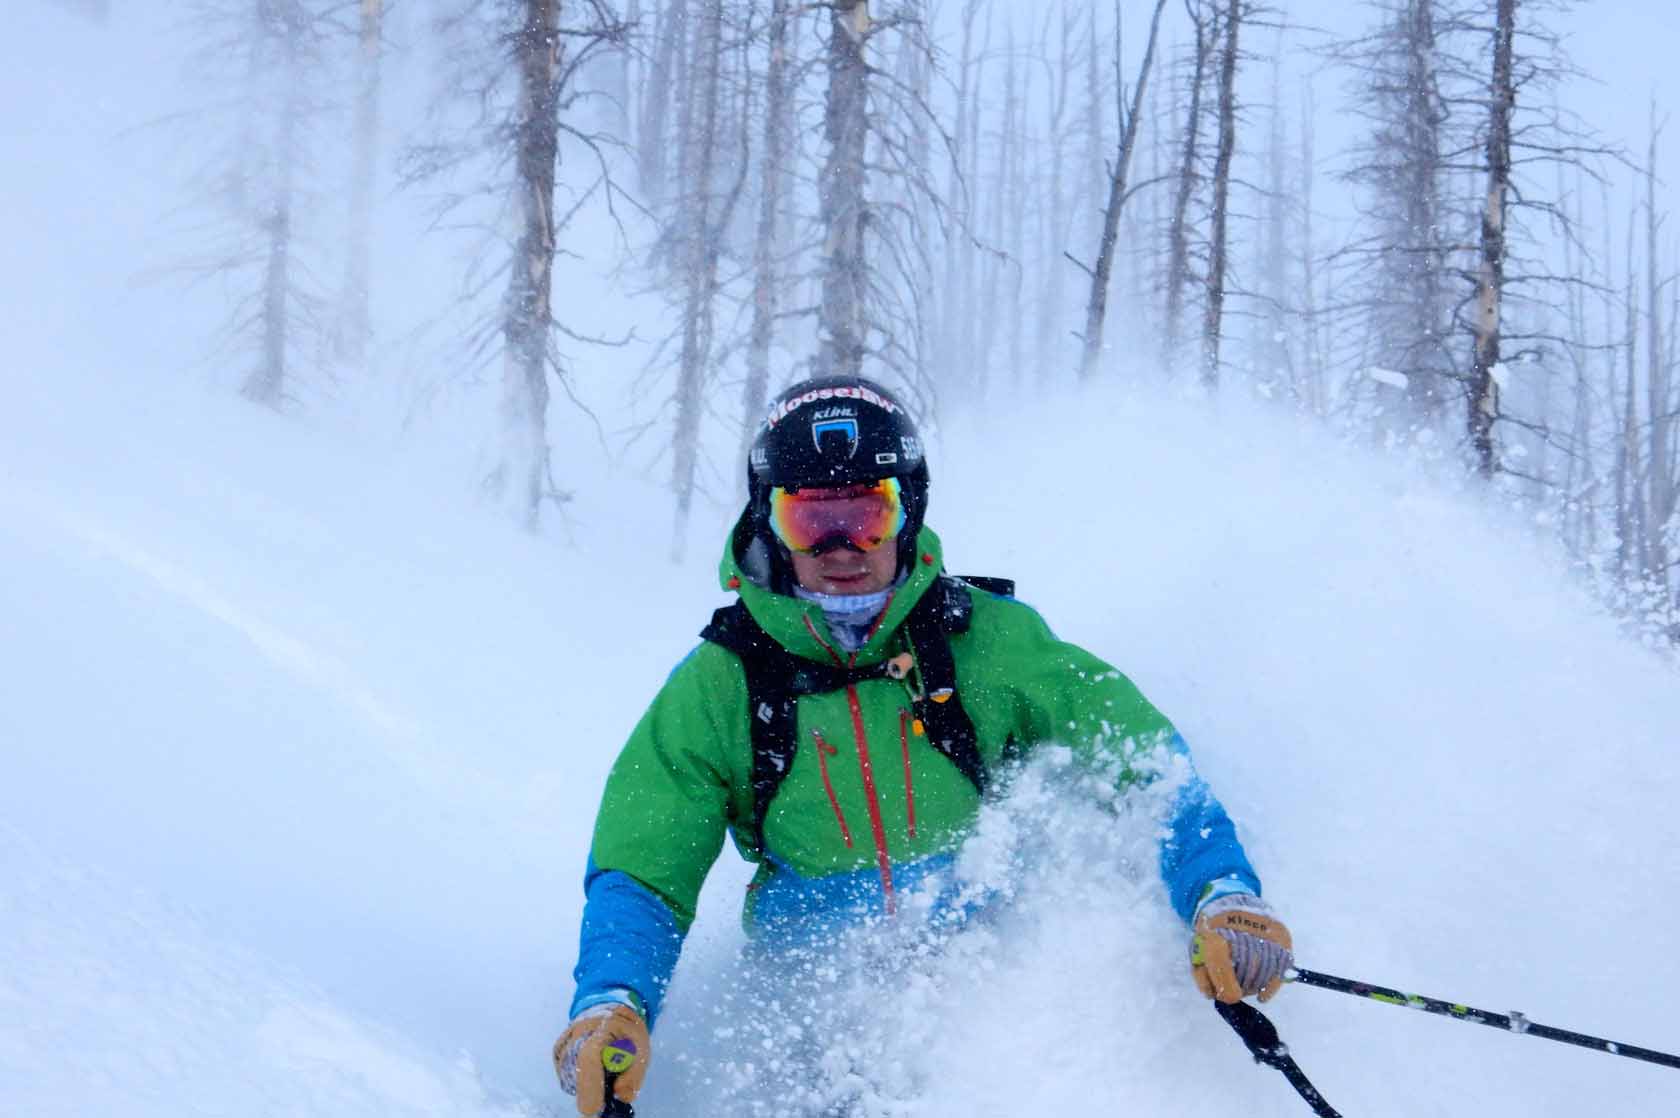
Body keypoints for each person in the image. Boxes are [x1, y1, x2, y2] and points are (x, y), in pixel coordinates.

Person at [553, 376, 1293, 1116]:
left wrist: (1220, 891)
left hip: (999, 1012)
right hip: (809, 1036)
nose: (841, 548)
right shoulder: (722, 683)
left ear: (909, 509)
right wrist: (612, 1002)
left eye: (867, 515)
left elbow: (1141, 763)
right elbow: (644, 871)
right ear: (768, 520)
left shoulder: (992, 641)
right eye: (810, 518)